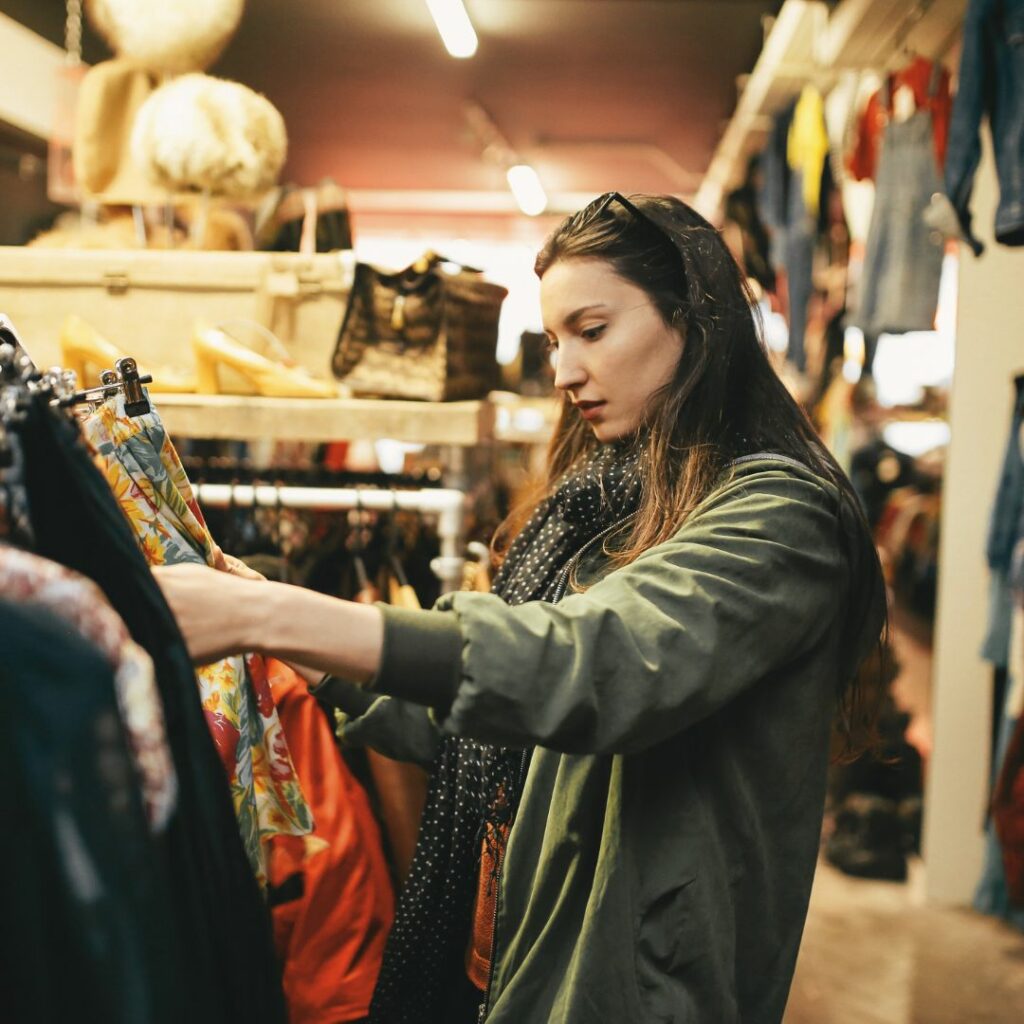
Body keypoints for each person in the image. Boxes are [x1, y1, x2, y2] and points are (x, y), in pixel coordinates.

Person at [155, 193, 887, 1024]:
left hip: (637, 982)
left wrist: (277, 618)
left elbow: (592, 663)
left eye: (594, 330)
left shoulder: (783, 517)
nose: (564, 371)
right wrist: (308, 650)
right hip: (524, 938)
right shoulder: (602, 506)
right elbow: (483, 717)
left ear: (694, 319)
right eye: (553, 340)